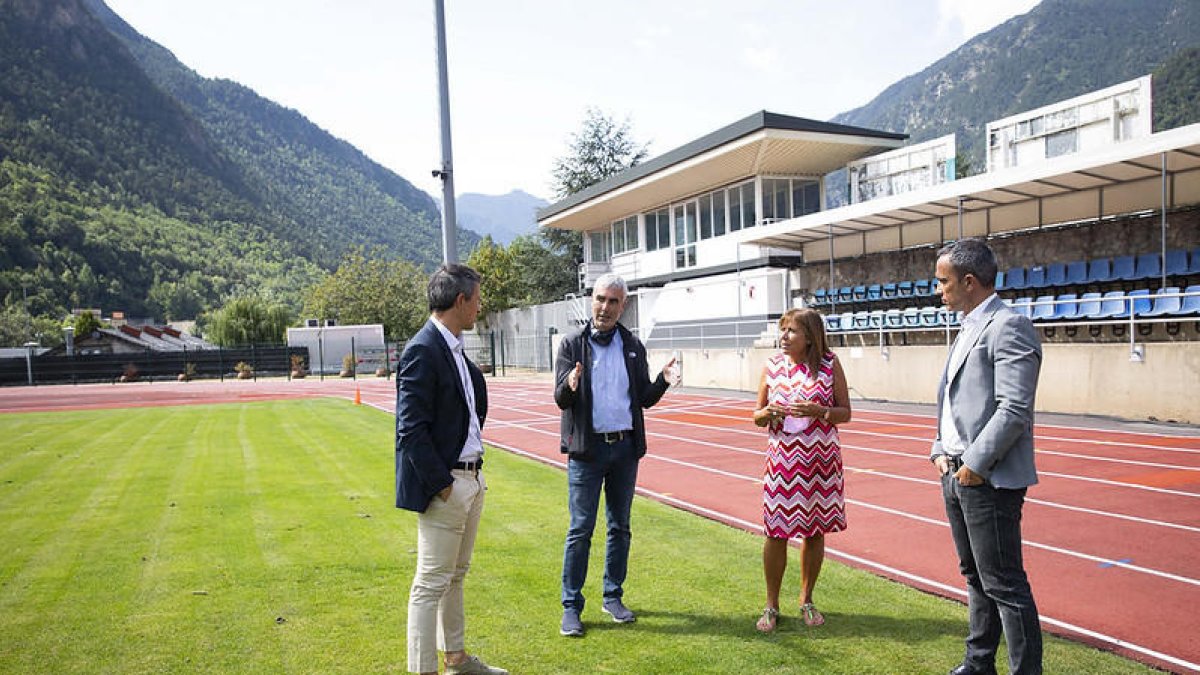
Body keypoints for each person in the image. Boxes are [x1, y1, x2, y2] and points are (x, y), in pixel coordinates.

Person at [931, 238, 1043, 675]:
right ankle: (978, 663)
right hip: (955, 473)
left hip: (986, 478)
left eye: (943, 281)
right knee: (976, 577)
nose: (938, 289)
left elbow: (1014, 408)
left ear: (969, 281)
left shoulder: (1008, 325)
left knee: (1004, 583)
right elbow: (952, 402)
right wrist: (939, 450)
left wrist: (974, 464)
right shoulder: (966, 326)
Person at [395, 264, 507, 675]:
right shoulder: (423, 349)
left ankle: (456, 660)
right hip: (448, 485)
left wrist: (471, 477)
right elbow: (410, 431)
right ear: (460, 300)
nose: (480, 306)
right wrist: (443, 485)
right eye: (477, 299)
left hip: (471, 479)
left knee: (455, 575)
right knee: (429, 584)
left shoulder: (455, 347)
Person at [554, 273, 676, 638]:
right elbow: (560, 398)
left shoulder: (632, 345)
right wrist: (569, 385)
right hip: (587, 452)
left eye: (613, 302)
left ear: (623, 306)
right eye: (600, 299)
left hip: (624, 450)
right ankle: (571, 607)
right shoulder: (572, 345)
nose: (605, 307)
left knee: (620, 527)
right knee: (580, 529)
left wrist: (663, 381)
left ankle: (613, 596)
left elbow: (641, 398)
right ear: (592, 300)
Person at [751, 308, 851, 633]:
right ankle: (771, 605)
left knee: (814, 531)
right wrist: (769, 412)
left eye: (791, 331)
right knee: (775, 532)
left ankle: (806, 599)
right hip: (783, 463)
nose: (784, 336)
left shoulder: (829, 364)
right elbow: (757, 416)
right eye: (782, 330)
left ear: (809, 336)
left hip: (820, 464)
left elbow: (845, 413)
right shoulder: (772, 367)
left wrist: (819, 411)